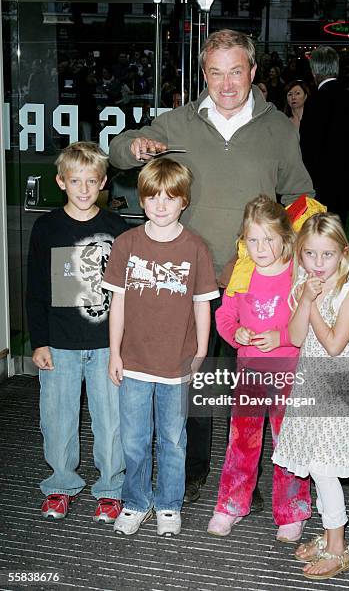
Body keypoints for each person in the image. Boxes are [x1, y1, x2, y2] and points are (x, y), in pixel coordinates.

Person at [109, 29, 314, 505]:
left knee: (253, 386)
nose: (226, 84)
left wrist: (302, 261)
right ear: (204, 74)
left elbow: (303, 196)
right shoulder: (176, 123)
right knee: (196, 379)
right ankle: (198, 470)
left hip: (256, 282)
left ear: (253, 73)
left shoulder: (278, 127)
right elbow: (118, 153)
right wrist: (135, 146)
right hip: (187, 276)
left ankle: (247, 475)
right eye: (216, 72)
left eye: (236, 71)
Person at [101, 158, 219, 537]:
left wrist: (200, 350)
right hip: (134, 362)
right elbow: (116, 302)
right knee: (134, 441)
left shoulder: (196, 247)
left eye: (170, 197)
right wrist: (114, 352)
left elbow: (203, 302)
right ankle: (135, 501)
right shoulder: (126, 244)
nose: (161, 205)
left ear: (184, 200)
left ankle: (169, 504)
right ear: (142, 199)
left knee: (173, 439)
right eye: (153, 197)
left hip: (177, 365)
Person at [26, 142, 129, 522]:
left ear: (103, 182)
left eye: (91, 181)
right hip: (60, 346)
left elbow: (125, 294)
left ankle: (111, 488)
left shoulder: (117, 229)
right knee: (57, 417)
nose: (83, 189)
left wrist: (123, 346)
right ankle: (60, 484)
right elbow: (35, 290)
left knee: (111, 420)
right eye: (75, 181)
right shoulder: (47, 228)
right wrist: (39, 342)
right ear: (60, 182)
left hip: (106, 345)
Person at [273, 213, 349, 580]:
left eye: (327, 255)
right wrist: (304, 299)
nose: (318, 264)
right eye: (310, 254)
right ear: (300, 255)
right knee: (316, 466)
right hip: (308, 384)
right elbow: (298, 337)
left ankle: (337, 547)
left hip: (336, 389)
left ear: (343, 254)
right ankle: (329, 533)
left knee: (325, 468)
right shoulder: (305, 284)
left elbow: (333, 344)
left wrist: (312, 303)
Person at [207, 196, 311, 540]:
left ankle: (292, 511)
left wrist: (280, 336)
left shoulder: (297, 273)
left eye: (268, 239)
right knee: (242, 440)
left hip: (288, 372)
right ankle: (231, 505)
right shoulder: (242, 270)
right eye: (253, 240)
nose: (261, 247)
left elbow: (310, 321)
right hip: (249, 373)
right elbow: (224, 316)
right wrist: (235, 332)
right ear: (243, 240)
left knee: (288, 441)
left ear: (285, 237)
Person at [300, 46, 349, 225]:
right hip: (344, 182)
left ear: (314, 70)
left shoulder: (315, 101)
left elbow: (307, 147)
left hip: (319, 185)